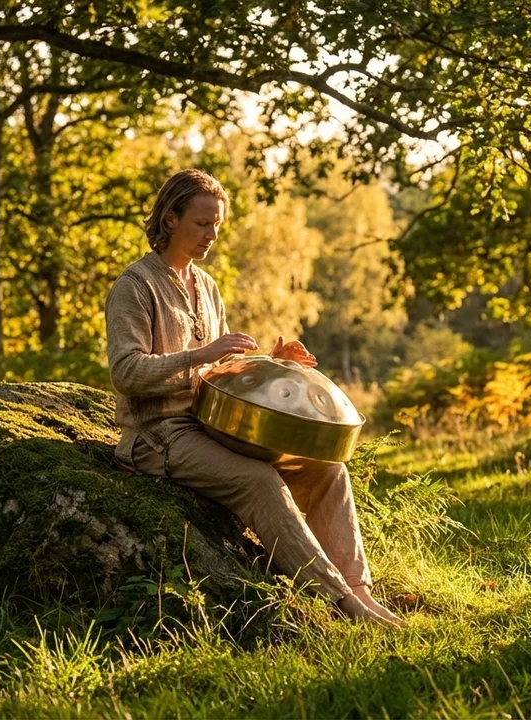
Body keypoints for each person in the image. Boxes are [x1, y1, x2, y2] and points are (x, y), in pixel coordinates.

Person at [105, 169, 403, 627]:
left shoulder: (207, 286)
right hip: (156, 435)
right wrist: (199, 355)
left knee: (328, 470)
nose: (211, 234)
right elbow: (125, 372)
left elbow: (220, 370)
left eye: (217, 225)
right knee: (260, 480)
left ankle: (361, 591)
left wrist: (272, 365)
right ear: (170, 219)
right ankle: (342, 603)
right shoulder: (135, 285)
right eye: (202, 223)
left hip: (208, 425)